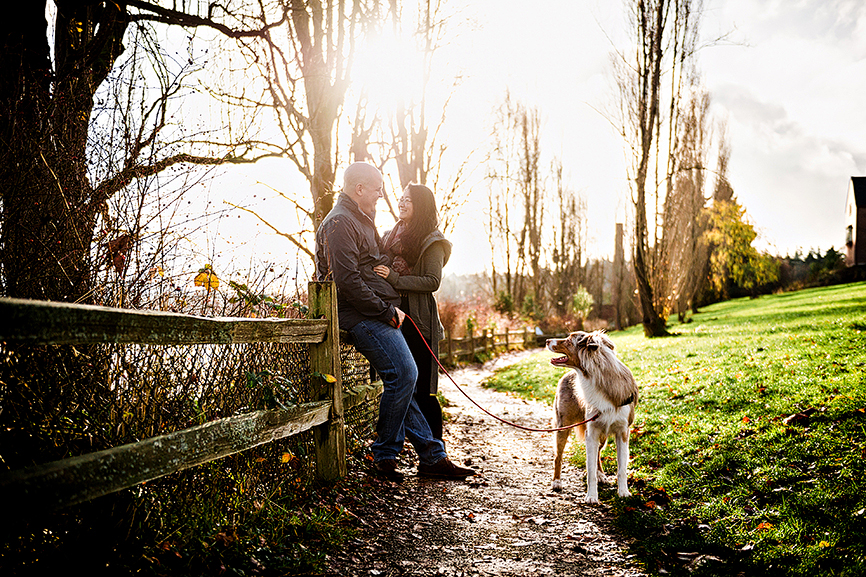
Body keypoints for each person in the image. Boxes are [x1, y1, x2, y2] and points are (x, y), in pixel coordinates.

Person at [314, 161, 474, 482]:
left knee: (405, 378)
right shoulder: (340, 224)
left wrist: (392, 277)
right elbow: (347, 282)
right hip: (359, 314)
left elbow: (376, 262)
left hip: (375, 310)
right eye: (376, 190)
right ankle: (385, 454)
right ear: (359, 189)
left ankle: (431, 455)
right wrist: (387, 310)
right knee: (404, 373)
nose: (380, 197)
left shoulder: (361, 219)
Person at [374, 184, 448, 441]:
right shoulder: (390, 235)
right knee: (402, 385)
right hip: (392, 317)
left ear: (421, 206)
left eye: (408, 200)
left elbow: (431, 282)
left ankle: (436, 453)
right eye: (401, 199)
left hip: (419, 320)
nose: (402, 203)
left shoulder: (433, 241)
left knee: (423, 390)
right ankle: (410, 448)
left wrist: (394, 278)